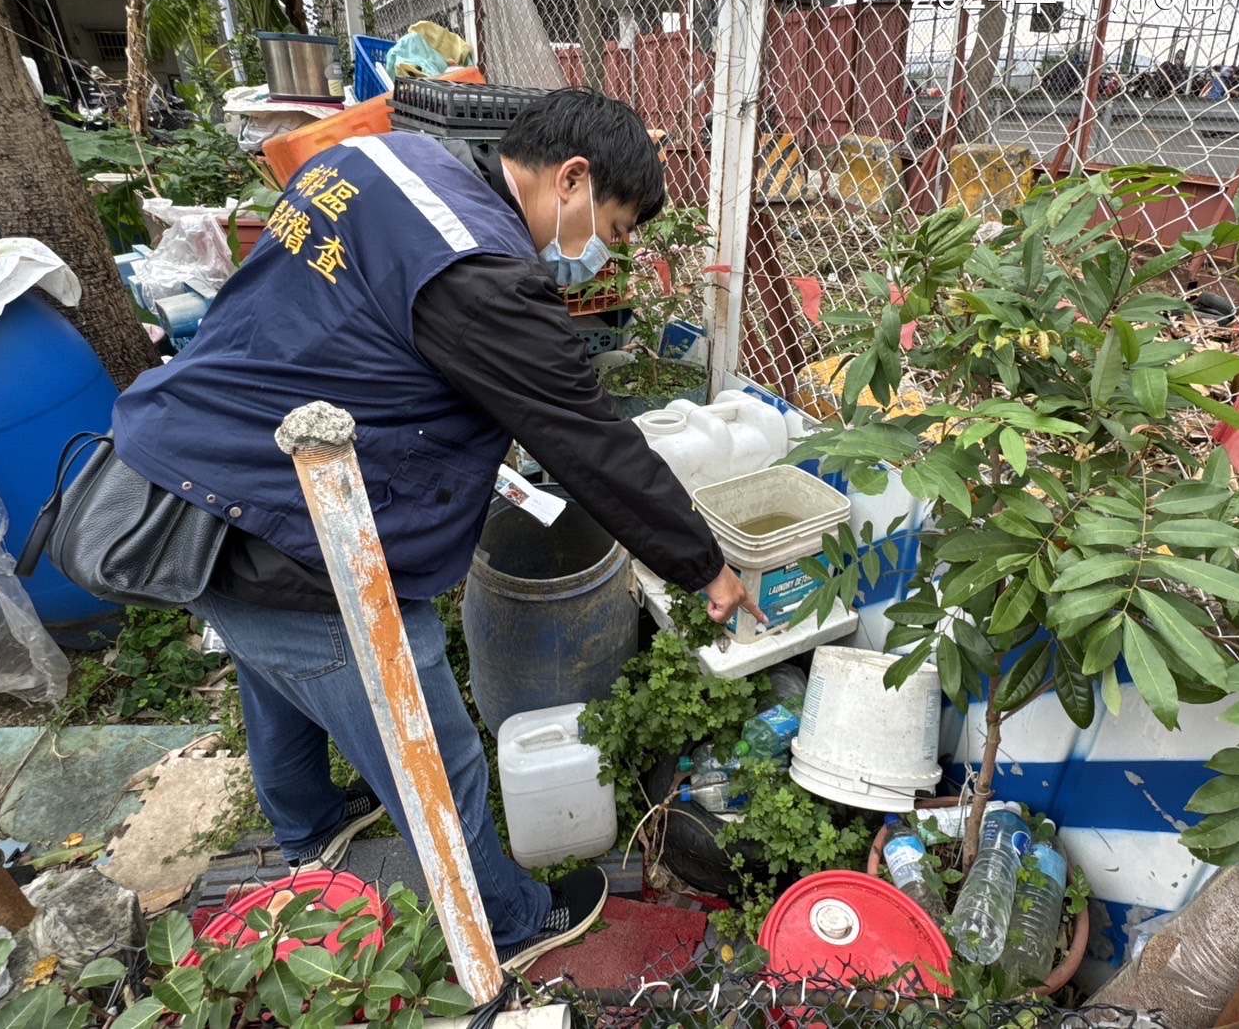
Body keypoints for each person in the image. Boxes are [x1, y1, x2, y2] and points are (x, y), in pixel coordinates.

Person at [109, 88, 764, 973]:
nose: (601, 251)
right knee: (433, 746)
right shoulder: (482, 270)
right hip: (287, 520)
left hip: (197, 451)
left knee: (270, 668)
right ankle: (505, 919)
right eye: (610, 223)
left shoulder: (381, 158)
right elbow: (584, 435)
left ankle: (310, 824)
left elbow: (339, 321)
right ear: (570, 178)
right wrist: (704, 566)